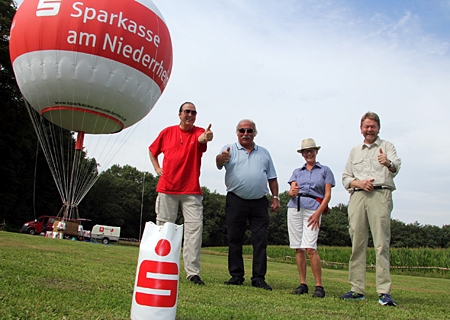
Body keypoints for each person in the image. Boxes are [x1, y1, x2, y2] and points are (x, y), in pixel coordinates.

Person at [148, 101, 213, 285]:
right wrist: (157, 168)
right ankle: (161, 265)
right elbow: (152, 151)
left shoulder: (199, 131)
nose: (190, 115)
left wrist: (207, 137)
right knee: (164, 229)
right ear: (179, 114)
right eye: (187, 112)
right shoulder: (167, 132)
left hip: (191, 191)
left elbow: (202, 139)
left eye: (193, 112)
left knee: (194, 231)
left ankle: (192, 273)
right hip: (167, 189)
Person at [341, 111, 401, 306]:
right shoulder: (354, 151)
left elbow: (396, 167)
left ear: (378, 128)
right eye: (366, 126)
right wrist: (358, 183)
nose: (369, 129)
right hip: (358, 197)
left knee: (381, 244)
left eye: (372, 126)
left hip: (380, 195)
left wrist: (388, 163)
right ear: (361, 129)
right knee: (357, 243)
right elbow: (345, 178)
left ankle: (384, 292)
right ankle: (356, 290)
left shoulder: (387, 147)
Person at [216, 119, 279, 291]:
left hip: (259, 202)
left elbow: (272, 177)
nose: (245, 133)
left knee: (260, 241)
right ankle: (236, 276)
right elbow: (219, 163)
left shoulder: (264, 153)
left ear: (254, 133)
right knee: (235, 239)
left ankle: (258, 278)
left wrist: (275, 198)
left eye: (249, 130)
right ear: (237, 133)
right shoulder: (229, 149)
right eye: (242, 130)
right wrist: (221, 158)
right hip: (236, 200)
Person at [287, 138, 335, 298]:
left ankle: (319, 286)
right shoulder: (297, 172)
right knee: (298, 248)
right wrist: (291, 192)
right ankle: (303, 283)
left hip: (313, 209)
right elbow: (291, 190)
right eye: (305, 151)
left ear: (316, 152)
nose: (309, 153)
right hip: (294, 208)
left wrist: (318, 213)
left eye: (311, 150)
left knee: (310, 248)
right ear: (302, 154)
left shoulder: (325, 170)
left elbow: (327, 195)